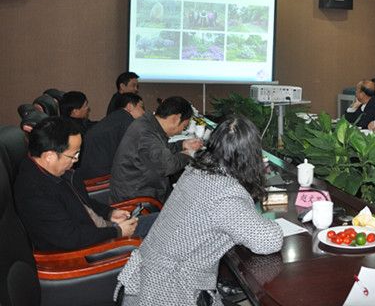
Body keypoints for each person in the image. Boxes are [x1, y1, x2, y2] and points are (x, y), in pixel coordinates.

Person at [115, 115, 283, 306]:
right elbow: (268, 241)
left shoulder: (196, 170)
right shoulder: (225, 194)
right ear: (251, 156)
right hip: (169, 293)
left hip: (142, 283)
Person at [13, 117, 143, 251]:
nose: (76, 160)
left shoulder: (54, 170)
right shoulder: (34, 192)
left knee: (154, 223)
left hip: (100, 231)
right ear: (49, 156)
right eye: (73, 155)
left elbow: (83, 202)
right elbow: (70, 238)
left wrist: (109, 213)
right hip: (90, 250)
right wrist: (117, 232)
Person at [109, 96, 203, 203]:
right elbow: (167, 166)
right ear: (176, 118)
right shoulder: (145, 133)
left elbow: (160, 150)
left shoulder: (148, 124)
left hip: (138, 188)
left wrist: (182, 144)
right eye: (184, 126)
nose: (181, 131)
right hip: (137, 200)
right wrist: (189, 153)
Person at [78, 93, 146, 180]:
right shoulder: (127, 120)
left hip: (90, 169)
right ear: (129, 106)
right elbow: (133, 152)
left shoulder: (116, 117)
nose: (144, 112)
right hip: (102, 174)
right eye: (141, 107)